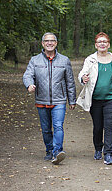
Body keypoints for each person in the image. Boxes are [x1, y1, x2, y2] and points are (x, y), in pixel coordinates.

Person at [76, 32, 112, 165]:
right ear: (96, 45)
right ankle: (98, 148)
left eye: (104, 42)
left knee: (109, 126)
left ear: (108, 44)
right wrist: (83, 78)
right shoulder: (90, 60)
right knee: (98, 127)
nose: (102, 44)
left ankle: (108, 154)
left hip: (111, 98)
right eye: (99, 42)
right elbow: (82, 73)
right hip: (94, 99)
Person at [23, 32, 76, 165]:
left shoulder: (64, 60)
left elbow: (70, 81)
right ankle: (49, 150)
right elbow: (27, 75)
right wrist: (29, 84)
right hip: (41, 100)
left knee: (58, 126)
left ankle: (58, 152)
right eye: (47, 41)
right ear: (42, 43)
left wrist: (72, 100)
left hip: (59, 100)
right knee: (46, 128)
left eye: (52, 41)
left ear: (56, 43)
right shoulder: (35, 60)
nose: (49, 43)